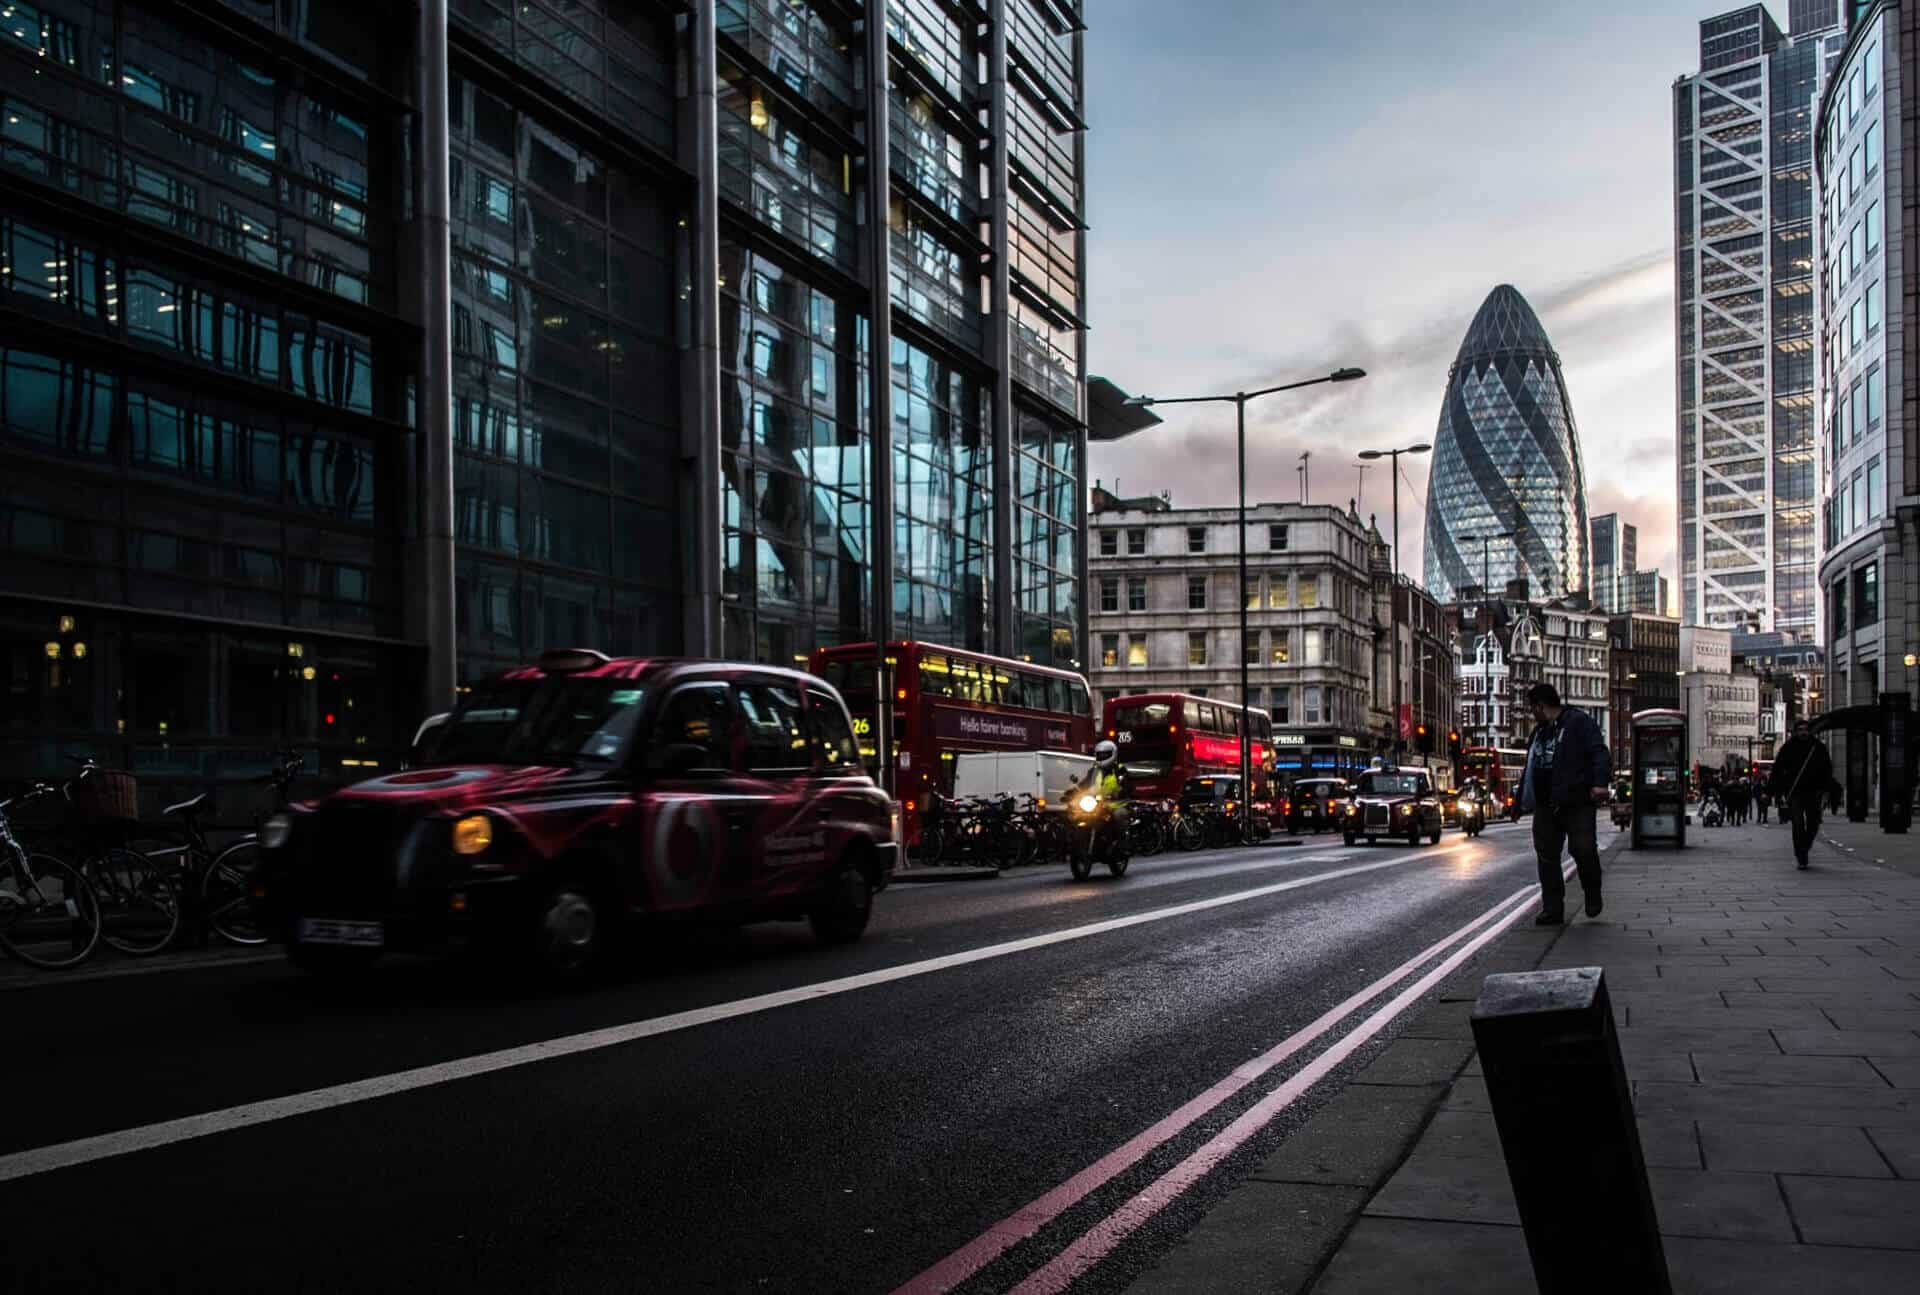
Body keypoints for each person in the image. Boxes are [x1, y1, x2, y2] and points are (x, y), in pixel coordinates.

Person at [1518, 682, 1612, 924]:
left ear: (1540, 705)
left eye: (1533, 708)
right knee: (1547, 857)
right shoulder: (1538, 732)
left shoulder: (1578, 722)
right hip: (1545, 805)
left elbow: (1599, 752)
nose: (1532, 713)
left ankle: (1592, 893)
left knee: (1583, 850)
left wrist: (1600, 783)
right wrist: (1519, 802)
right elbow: (1530, 768)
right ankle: (1552, 908)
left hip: (1576, 801)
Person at [1768, 720, 1834, 870]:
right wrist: (1770, 791)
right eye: (1800, 729)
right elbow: (1777, 770)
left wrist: (1826, 789)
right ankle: (1801, 854)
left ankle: (1804, 847)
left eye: (1806, 729)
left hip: (1813, 792)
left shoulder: (1818, 747)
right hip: (1795, 792)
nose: (1803, 732)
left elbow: (1827, 770)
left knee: (1813, 823)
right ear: (1796, 732)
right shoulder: (1788, 748)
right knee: (1798, 824)